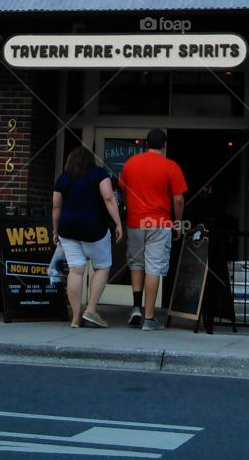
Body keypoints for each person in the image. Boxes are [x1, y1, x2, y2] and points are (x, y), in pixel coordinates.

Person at [119, 128, 187, 331]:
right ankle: (149, 318)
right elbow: (178, 199)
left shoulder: (131, 164)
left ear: (146, 144)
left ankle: (137, 307)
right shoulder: (170, 166)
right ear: (164, 145)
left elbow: (123, 188)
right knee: (154, 267)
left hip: (135, 222)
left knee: (137, 264)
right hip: (159, 222)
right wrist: (178, 222)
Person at [51, 145, 123, 328]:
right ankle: (91, 309)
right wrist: (118, 223)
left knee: (76, 270)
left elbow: (56, 207)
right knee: (102, 267)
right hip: (94, 228)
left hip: (68, 229)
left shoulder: (64, 178)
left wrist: (55, 230)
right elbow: (108, 197)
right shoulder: (99, 173)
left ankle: (75, 317)